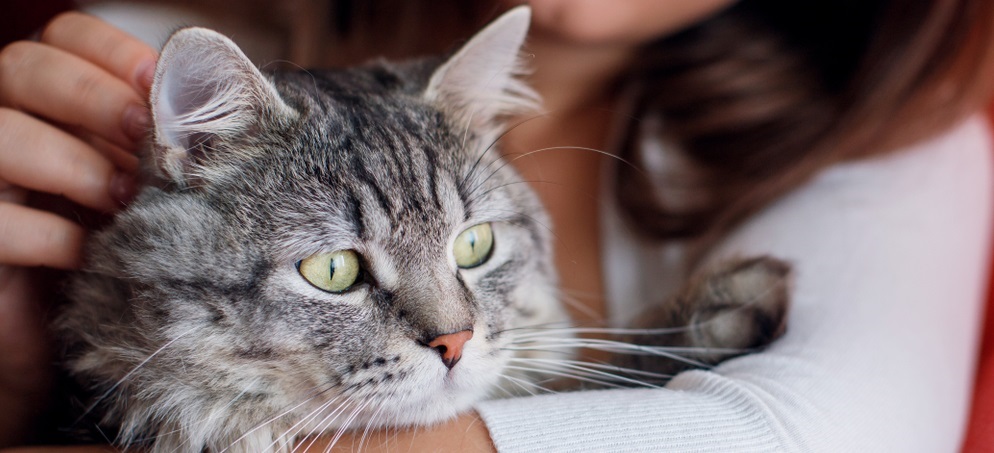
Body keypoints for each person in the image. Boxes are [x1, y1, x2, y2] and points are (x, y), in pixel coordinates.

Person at [1, 0, 993, 450]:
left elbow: (822, 437)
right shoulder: (142, 56)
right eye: (341, 269)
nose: (447, 331)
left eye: (473, 250)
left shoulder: (885, 131)